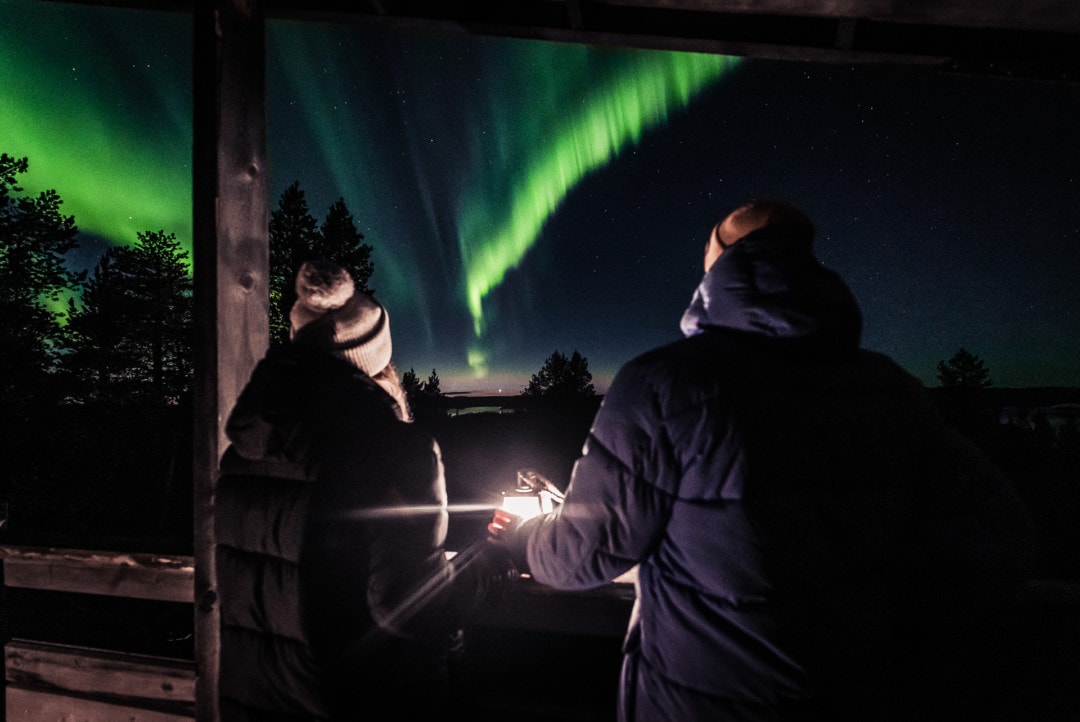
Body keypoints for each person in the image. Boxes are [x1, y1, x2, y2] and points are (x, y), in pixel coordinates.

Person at [489, 200, 1036, 721]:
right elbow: (999, 534)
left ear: (718, 266)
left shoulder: (665, 385)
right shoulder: (893, 390)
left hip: (705, 704)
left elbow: (582, 557)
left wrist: (524, 535)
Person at [216, 259, 514, 721]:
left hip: (254, 702)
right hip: (351, 704)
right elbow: (411, 605)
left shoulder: (242, 453)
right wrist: (498, 559)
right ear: (373, 357)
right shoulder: (396, 450)